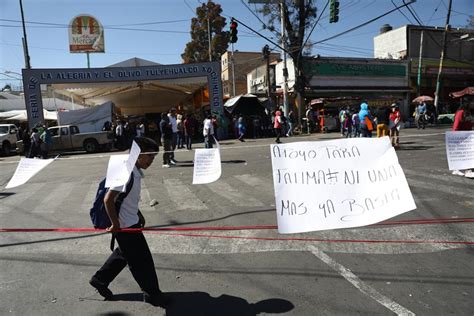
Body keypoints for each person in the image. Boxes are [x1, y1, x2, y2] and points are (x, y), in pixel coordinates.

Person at [89, 137, 170, 307]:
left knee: (124, 254)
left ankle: (100, 279)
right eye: (150, 157)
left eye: (154, 157)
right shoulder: (127, 173)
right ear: (139, 154)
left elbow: (125, 199)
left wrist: (138, 214)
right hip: (125, 227)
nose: (151, 161)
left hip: (129, 222)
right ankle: (153, 294)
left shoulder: (132, 170)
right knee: (142, 262)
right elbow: (108, 199)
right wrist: (116, 224)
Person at [451, 104, 473, 178]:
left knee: (463, 153)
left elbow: (470, 122)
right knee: (468, 153)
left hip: (467, 135)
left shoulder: (468, 112)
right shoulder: (461, 112)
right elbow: (456, 124)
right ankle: (468, 171)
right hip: (461, 135)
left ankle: (456, 169)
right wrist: (455, 137)